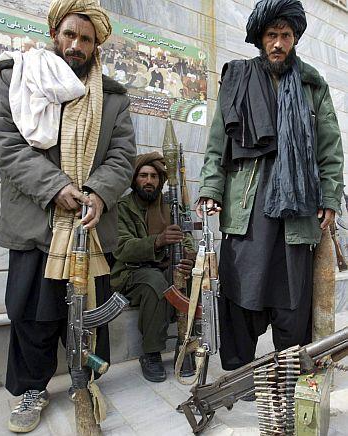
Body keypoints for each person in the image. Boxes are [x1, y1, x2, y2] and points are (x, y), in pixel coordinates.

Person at [0, 0, 136, 432]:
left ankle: (84, 382)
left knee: (88, 314)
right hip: (36, 222)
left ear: (96, 45)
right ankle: (32, 391)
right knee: (32, 314)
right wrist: (55, 188)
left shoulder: (112, 97)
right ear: (56, 34)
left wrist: (96, 193)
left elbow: (123, 156)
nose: (76, 44)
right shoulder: (18, 78)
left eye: (85, 39)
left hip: (88, 226)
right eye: (69, 35)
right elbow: (6, 143)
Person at [196, 0, 343, 391]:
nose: (278, 43)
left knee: (293, 299)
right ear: (261, 38)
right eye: (271, 35)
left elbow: (330, 148)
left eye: (285, 36)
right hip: (248, 204)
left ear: (295, 39)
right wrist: (211, 187)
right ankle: (242, 376)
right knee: (243, 290)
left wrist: (330, 197)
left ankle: (289, 374)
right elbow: (216, 144)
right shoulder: (240, 76)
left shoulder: (312, 85)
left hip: (297, 211)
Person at [110, 152, 195, 382]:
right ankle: (151, 353)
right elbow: (122, 248)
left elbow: (186, 238)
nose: (149, 181)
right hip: (131, 272)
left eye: (154, 177)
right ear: (134, 179)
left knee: (195, 279)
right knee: (154, 282)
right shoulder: (122, 207)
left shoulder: (170, 205)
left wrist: (188, 256)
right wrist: (158, 241)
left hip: (166, 266)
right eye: (143, 176)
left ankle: (185, 345)